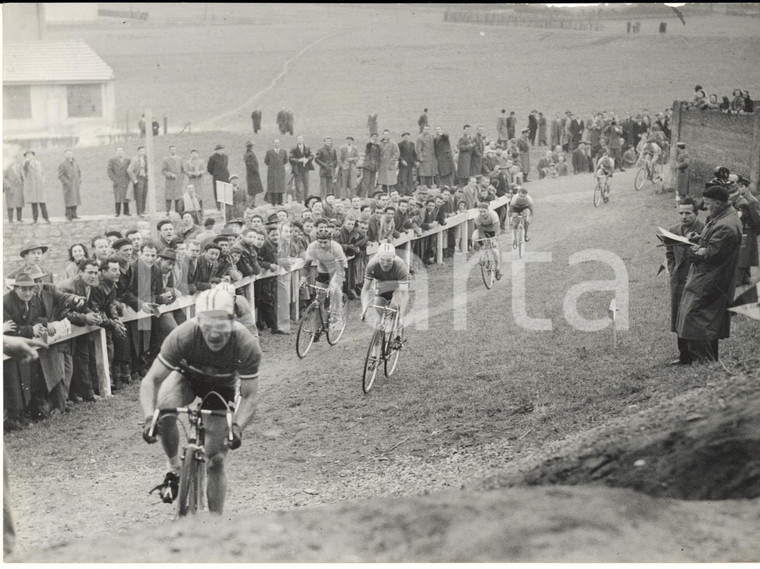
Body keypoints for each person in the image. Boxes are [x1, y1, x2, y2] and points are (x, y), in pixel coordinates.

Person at [139, 289, 260, 513]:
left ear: (232, 321)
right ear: (197, 322)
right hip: (187, 379)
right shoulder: (183, 334)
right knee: (165, 410)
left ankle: (214, 522)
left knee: (216, 460)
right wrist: (149, 417)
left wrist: (237, 427)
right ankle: (174, 467)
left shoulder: (246, 342)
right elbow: (151, 380)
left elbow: (250, 395)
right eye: (207, 327)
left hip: (221, 388)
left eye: (221, 326)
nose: (214, 335)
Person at [676, 185, 743, 363]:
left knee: (696, 319)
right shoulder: (722, 216)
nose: (705, 208)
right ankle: (706, 362)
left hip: (711, 279)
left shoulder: (726, 225)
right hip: (709, 277)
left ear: (719, 203)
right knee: (701, 320)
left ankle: (705, 365)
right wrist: (699, 239)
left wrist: (692, 248)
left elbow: (711, 255)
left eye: (708, 204)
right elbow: (714, 244)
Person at [665, 198, 705, 365]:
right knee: (678, 317)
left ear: (696, 213)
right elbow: (669, 253)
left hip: (697, 279)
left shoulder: (704, 230)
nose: (683, 216)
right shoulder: (673, 230)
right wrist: (673, 269)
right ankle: (684, 356)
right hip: (678, 280)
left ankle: (698, 355)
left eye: (688, 213)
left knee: (693, 316)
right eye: (680, 213)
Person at [361, 242, 409, 345]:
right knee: (379, 317)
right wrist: (364, 308)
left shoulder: (400, 266)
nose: (385, 263)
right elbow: (365, 288)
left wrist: (401, 317)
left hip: (397, 288)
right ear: (377, 257)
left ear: (394, 258)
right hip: (382, 287)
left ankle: (397, 335)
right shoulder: (372, 265)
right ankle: (374, 353)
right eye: (382, 260)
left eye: (389, 260)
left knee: (393, 307)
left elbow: (404, 294)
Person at [302, 227, 348, 325]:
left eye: (325, 242)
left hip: (337, 270)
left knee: (335, 291)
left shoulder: (336, 247)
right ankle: (319, 327)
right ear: (316, 241)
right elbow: (306, 266)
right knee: (320, 299)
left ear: (330, 241)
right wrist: (302, 278)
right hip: (323, 271)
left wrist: (334, 284)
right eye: (320, 242)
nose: (322, 245)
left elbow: (340, 269)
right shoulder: (312, 247)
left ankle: (337, 315)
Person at [472, 202, 502, 280]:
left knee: (494, 250)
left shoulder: (493, 215)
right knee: (474, 239)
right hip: (483, 231)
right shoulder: (477, 218)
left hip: (493, 231)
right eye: (480, 212)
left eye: (484, 211)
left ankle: (498, 268)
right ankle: (481, 255)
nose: (482, 213)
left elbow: (497, 228)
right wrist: (484, 240)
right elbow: (480, 231)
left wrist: (495, 237)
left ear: (488, 210)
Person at [22, 151, 49, 224]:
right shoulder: (26, 164)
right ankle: (35, 219)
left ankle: (46, 218)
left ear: (33, 156)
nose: (29, 156)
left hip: (39, 186)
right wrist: (27, 162)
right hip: (32, 186)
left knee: (42, 202)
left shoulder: (38, 163)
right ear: (26, 157)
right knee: (34, 203)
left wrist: (43, 181)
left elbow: (42, 173)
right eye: (27, 155)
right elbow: (24, 169)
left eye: (30, 155)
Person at [57, 149, 82, 221]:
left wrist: (79, 180)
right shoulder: (63, 164)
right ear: (65, 155)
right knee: (69, 200)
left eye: (70, 154)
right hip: (68, 186)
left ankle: (74, 214)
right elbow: (60, 175)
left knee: (75, 200)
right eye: (67, 154)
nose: (69, 155)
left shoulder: (75, 162)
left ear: (72, 154)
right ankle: (68, 215)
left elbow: (79, 171)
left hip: (75, 185)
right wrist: (67, 182)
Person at [107, 147, 132, 217]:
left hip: (125, 181)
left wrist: (130, 178)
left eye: (121, 151)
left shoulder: (128, 160)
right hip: (117, 181)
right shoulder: (112, 161)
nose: (120, 152)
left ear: (124, 152)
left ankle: (126, 212)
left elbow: (131, 169)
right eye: (118, 151)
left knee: (126, 196)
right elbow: (109, 171)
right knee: (118, 197)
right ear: (116, 152)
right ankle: (117, 212)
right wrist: (115, 180)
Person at [289, 136, 313, 203]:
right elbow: (290, 158)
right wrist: (299, 160)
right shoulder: (293, 148)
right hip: (297, 169)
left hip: (306, 168)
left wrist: (307, 159)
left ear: (303, 140)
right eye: (298, 139)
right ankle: (299, 200)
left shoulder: (307, 147)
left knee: (306, 184)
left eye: (301, 139)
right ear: (296, 141)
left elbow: (311, 155)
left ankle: (306, 199)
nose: (300, 140)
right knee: (298, 184)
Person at [161, 146, 184, 216]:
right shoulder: (165, 159)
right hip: (170, 181)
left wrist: (181, 178)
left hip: (178, 181)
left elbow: (182, 170)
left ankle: (178, 211)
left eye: (174, 150)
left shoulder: (180, 159)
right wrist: (170, 175)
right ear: (169, 151)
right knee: (168, 196)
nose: (173, 151)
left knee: (178, 196)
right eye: (172, 150)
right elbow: (163, 171)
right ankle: (167, 211)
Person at [264, 139, 288, 206]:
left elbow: (285, 160)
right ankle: (273, 202)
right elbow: (266, 161)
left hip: (280, 172)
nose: (276, 144)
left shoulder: (283, 152)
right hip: (272, 172)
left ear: (280, 144)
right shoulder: (269, 152)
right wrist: (272, 166)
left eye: (278, 143)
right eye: (275, 143)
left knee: (280, 186)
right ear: (273, 144)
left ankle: (280, 202)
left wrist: (280, 166)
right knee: (272, 187)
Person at [207, 144, 230, 210]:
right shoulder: (212, 158)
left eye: (221, 149)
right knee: (218, 192)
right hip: (217, 177)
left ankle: (226, 206)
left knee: (226, 191)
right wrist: (215, 174)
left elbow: (226, 166)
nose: (220, 151)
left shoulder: (225, 156)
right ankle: (218, 207)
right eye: (219, 150)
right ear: (216, 150)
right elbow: (209, 168)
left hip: (225, 176)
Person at [128, 146, 149, 217]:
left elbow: (148, 168)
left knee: (144, 195)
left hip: (145, 178)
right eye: (140, 151)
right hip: (138, 179)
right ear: (138, 152)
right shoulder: (135, 159)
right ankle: (139, 212)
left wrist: (147, 175)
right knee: (139, 196)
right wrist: (134, 180)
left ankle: (143, 210)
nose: (142, 152)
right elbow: (129, 170)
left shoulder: (146, 158)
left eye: (143, 151)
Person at [359, 133, 381, 198]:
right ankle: (363, 195)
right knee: (366, 181)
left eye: (376, 136)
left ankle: (370, 195)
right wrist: (371, 142)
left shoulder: (378, 146)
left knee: (372, 182)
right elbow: (367, 149)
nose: (375, 138)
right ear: (371, 137)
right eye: (373, 136)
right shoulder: (369, 145)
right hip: (367, 166)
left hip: (374, 166)